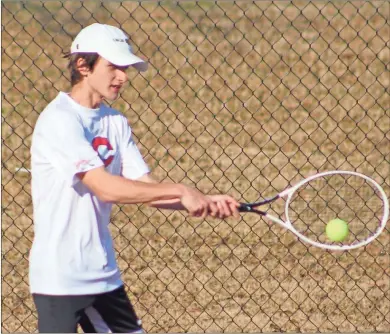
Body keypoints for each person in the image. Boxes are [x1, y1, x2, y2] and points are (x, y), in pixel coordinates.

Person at [29, 23, 240, 333]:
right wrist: (182, 190)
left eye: (125, 68)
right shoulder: (59, 120)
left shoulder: (115, 122)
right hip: (60, 278)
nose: (123, 76)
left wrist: (203, 201)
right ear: (82, 66)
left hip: (103, 276)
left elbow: (147, 189)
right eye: (114, 66)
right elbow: (104, 187)